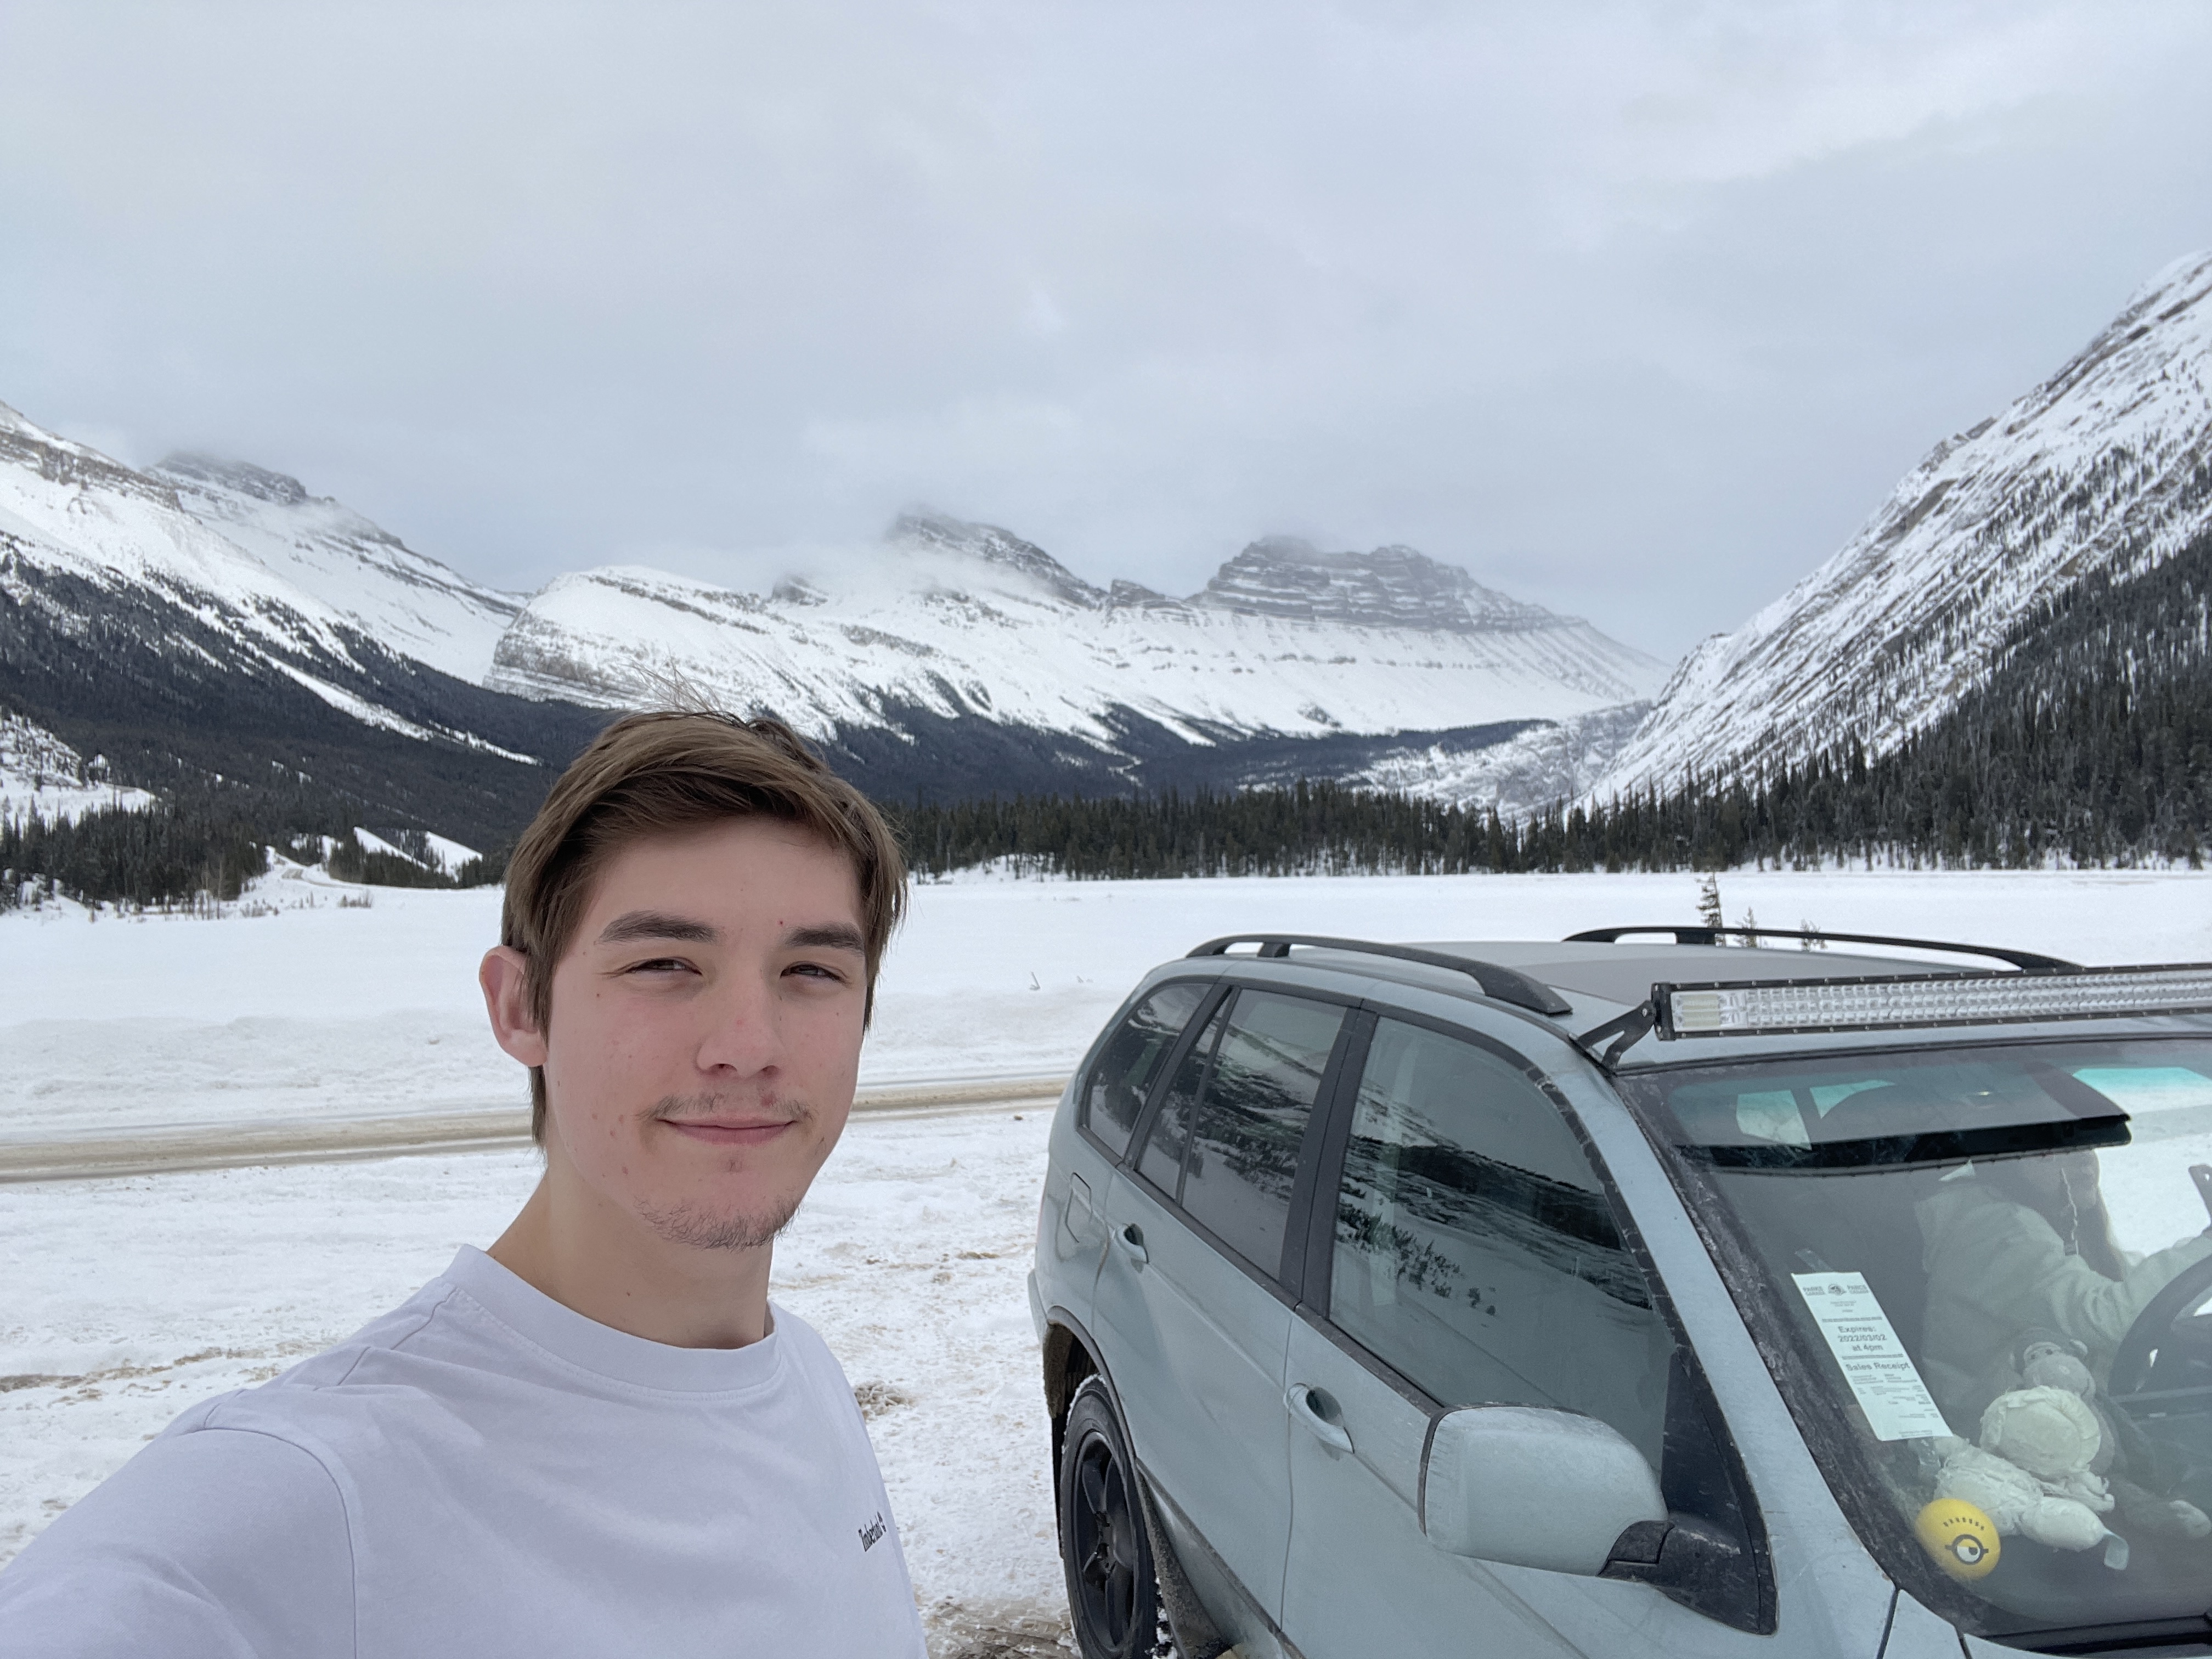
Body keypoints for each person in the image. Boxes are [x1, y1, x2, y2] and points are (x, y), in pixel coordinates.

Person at [0, 710, 928, 1657]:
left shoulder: (804, 1377)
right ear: (521, 1006)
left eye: (811, 970)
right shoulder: (319, 1491)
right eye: (663, 963)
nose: (748, 1045)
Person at [1917, 1148, 2212, 1423]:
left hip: (2061, 1430)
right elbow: (2112, 1318)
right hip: (2010, 1446)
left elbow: (2143, 1291)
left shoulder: (2052, 1219)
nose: (2083, 1159)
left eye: (2086, 1144)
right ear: (2006, 1166)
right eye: (2049, 1155)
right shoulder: (2001, 1230)